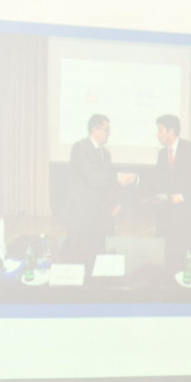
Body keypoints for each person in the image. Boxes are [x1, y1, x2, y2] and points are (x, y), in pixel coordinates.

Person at [63, 113, 129, 267]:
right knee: (80, 256)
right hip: (82, 214)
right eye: (106, 129)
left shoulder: (105, 153)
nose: (109, 133)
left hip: (101, 214)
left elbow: (108, 184)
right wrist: (118, 177)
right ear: (94, 130)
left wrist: (116, 203)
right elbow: (92, 178)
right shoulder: (80, 148)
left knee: (99, 253)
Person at [152, 114, 191, 270]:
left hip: (190, 211)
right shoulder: (162, 154)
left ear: (171, 131)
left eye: (160, 130)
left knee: (187, 255)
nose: (157, 134)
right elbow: (161, 183)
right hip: (170, 214)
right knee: (170, 255)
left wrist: (183, 196)